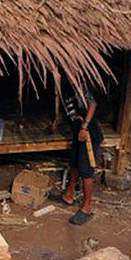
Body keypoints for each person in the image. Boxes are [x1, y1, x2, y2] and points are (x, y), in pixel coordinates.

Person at [54, 84, 102, 225]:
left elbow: (92, 104)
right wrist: (57, 122)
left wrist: (85, 126)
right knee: (74, 164)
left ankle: (86, 209)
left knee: (86, 170)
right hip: (77, 133)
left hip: (88, 134)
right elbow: (66, 110)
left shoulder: (78, 86)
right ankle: (69, 195)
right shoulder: (63, 90)